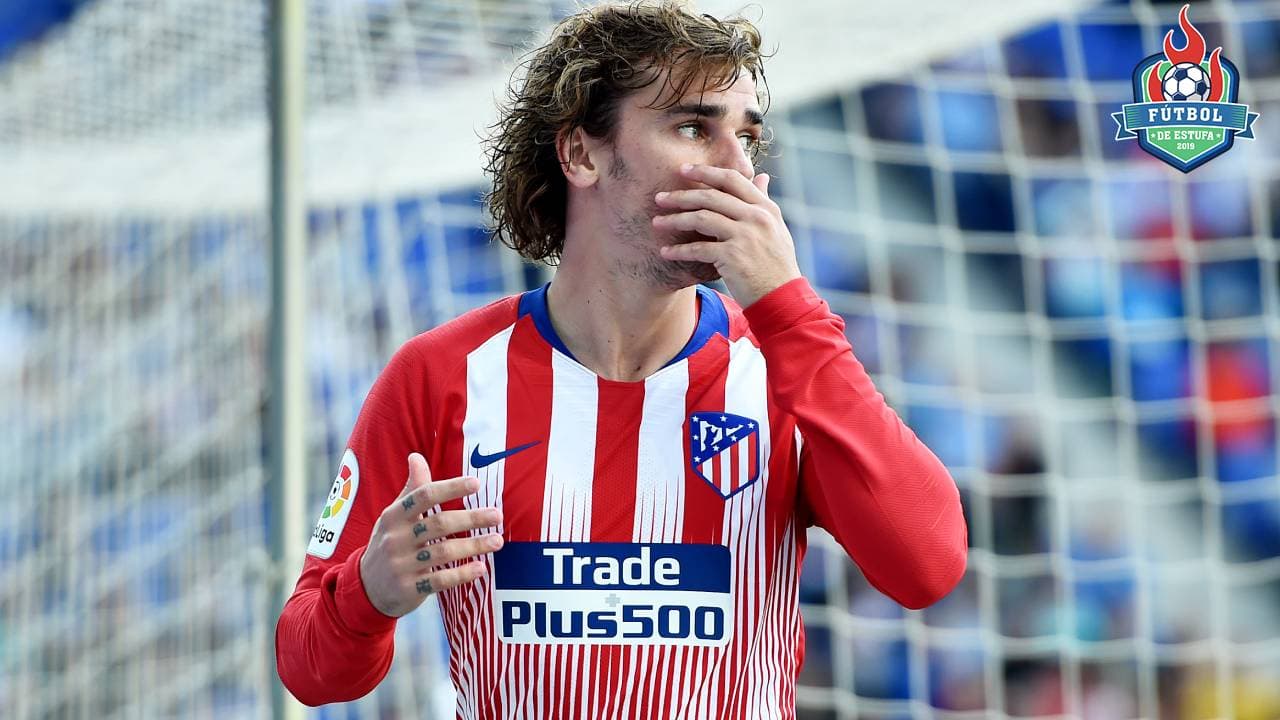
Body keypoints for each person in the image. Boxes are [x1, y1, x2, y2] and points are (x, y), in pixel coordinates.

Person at [275, 1, 967, 716]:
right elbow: (308, 669)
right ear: (581, 154)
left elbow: (928, 568)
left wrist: (786, 304)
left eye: (747, 138)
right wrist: (369, 593)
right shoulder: (440, 374)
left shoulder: (786, 365)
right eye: (694, 128)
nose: (738, 169)